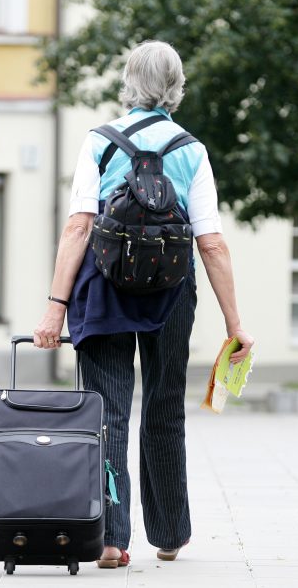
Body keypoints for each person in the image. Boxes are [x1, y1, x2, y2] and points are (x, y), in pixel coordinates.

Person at [32, 40, 254, 567]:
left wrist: (54, 308)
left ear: (127, 83)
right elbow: (213, 243)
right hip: (172, 294)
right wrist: (235, 324)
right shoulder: (191, 151)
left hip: (103, 291)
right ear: (177, 86)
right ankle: (170, 532)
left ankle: (111, 538)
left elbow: (79, 227)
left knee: (106, 412)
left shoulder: (99, 142)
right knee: (163, 406)